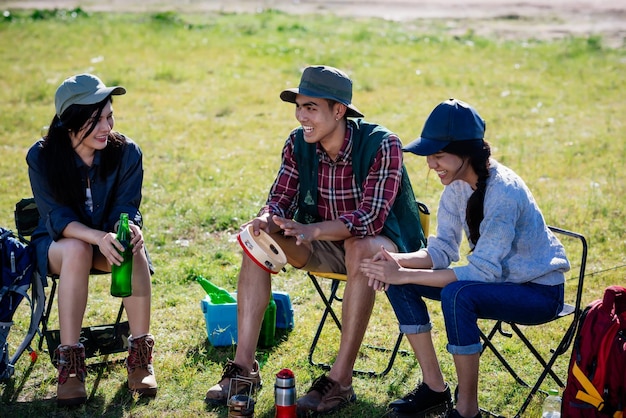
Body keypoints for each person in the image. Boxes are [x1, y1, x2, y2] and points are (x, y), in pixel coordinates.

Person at [204, 65, 426, 414]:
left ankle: (340, 381)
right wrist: (266, 217)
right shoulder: (298, 142)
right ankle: (244, 368)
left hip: (383, 248)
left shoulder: (383, 144)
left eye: (311, 107)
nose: (301, 116)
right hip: (319, 243)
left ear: (339, 111)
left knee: (360, 246)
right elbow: (281, 196)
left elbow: (370, 219)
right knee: (256, 238)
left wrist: (315, 230)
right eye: (299, 106)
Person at [360, 98, 570, 418]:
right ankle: (434, 389)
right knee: (399, 278)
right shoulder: (458, 185)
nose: (431, 164)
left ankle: (467, 410)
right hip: (496, 282)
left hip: (538, 293)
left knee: (457, 294)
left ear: (466, 153)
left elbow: (480, 273)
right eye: (430, 156)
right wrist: (395, 262)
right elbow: (442, 251)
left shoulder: (504, 191)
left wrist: (403, 273)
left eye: (439, 155)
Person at [26, 74, 158, 406]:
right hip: (60, 245)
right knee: (76, 249)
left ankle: (140, 357)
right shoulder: (41, 156)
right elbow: (56, 217)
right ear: (69, 122)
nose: (106, 127)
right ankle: (70, 365)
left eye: (109, 116)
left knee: (128, 245)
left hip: (105, 239)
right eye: (95, 120)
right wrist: (97, 237)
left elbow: (127, 207)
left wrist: (128, 228)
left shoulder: (127, 151)